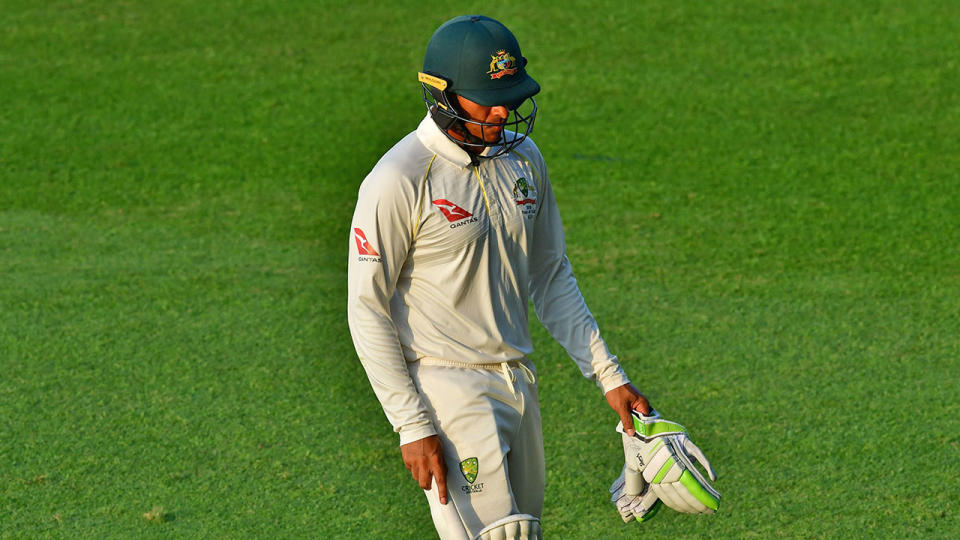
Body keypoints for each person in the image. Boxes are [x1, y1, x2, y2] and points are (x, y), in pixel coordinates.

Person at [347, 14, 651, 539]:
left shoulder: (523, 158)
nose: (502, 109)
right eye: (486, 98)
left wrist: (610, 375)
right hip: (448, 386)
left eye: (508, 96)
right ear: (441, 95)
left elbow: (550, 274)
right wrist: (412, 424)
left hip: (519, 381)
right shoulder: (398, 179)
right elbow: (366, 307)